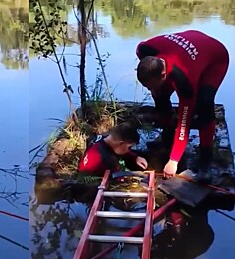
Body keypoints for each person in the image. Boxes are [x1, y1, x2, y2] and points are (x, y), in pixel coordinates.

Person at [135, 30, 229, 182]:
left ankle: (205, 161)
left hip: (215, 58)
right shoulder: (144, 49)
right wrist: (155, 89)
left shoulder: (184, 82)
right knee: (159, 93)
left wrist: (173, 160)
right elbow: (153, 80)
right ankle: (167, 136)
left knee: (204, 104)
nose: (148, 89)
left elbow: (184, 123)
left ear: (163, 75)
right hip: (189, 45)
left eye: (149, 85)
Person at [78, 123, 148, 176]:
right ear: (120, 143)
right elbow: (117, 179)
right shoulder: (105, 160)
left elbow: (121, 150)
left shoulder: (105, 137)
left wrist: (135, 158)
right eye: (129, 147)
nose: (129, 151)